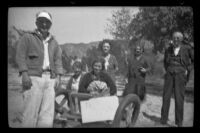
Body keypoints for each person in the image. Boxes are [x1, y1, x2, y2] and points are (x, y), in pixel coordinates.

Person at [16, 11, 63, 127]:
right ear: (36, 23)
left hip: (50, 79)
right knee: (29, 113)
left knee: (47, 115)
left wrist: (58, 76)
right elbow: (20, 56)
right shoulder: (27, 37)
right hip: (33, 78)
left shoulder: (54, 42)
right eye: (41, 22)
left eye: (47, 22)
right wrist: (25, 74)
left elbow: (58, 60)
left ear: (50, 24)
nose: (44, 25)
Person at [160, 31, 194, 127]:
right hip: (169, 74)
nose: (176, 39)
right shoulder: (168, 49)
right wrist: (168, 70)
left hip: (180, 75)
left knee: (179, 98)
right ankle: (163, 120)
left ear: (181, 39)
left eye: (178, 38)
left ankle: (179, 122)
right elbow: (165, 62)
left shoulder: (187, 48)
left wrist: (188, 69)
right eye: (174, 37)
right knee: (166, 97)